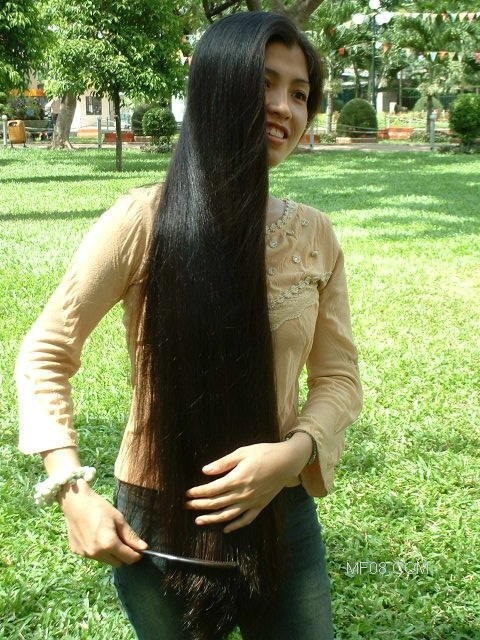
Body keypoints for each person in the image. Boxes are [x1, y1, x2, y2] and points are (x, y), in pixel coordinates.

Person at [16, 11, 362, 640]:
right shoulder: (142, 221)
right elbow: (47, 350)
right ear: (216, 87)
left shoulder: (314, 234)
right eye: (265, 83)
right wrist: (70, 488)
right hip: (157, 514)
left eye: (300, 93)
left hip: (281, 507)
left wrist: (292, 454)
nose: (284, 107)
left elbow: (339, 377)